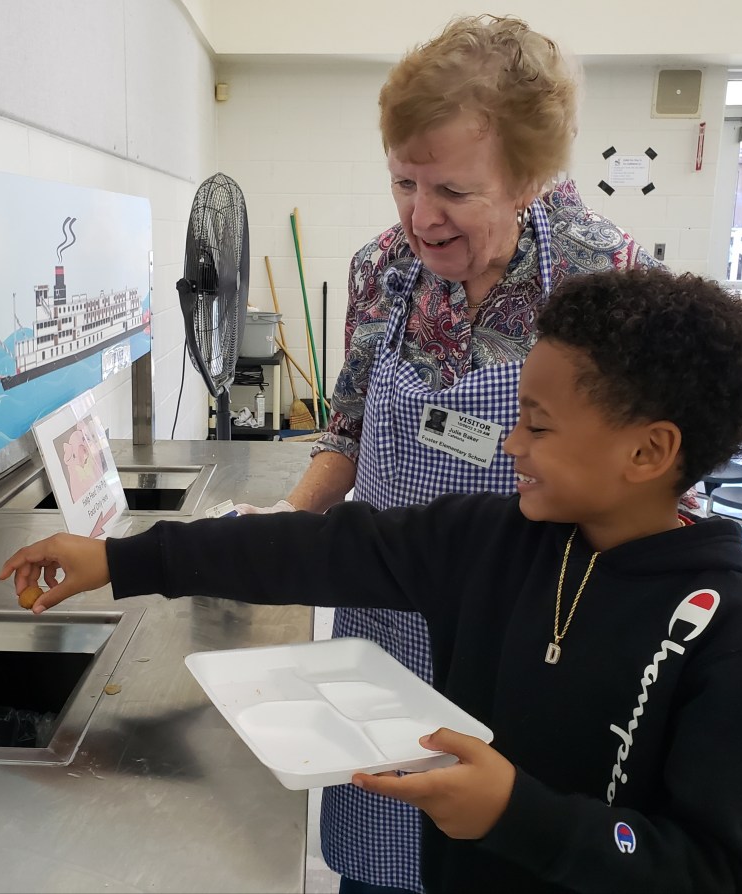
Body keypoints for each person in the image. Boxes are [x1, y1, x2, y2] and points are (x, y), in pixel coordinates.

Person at [1, 268, 742, 893]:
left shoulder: (727, 635)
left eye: (539, 425)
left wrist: (519, 813)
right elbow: (311, 551)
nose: (511, 444)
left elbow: (716, 872)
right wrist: (124, 560)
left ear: (648, 453)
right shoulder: (495, 540)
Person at [235, 15, 667, 893]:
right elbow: (350, 426)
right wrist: (284, 522)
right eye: (404, 181)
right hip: (386, 629)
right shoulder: (382, 271)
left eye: (454, 192)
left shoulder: (606, 278)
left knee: (504, 854)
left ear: (529, 178)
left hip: (531, 635)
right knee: (383, 850)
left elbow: (645, 484)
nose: (420, 217)